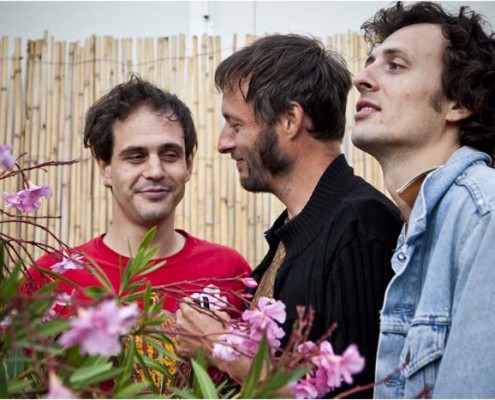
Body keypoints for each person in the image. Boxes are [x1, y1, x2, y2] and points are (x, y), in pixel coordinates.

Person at [176, 34, 402, 397]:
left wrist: (220, 345)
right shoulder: (295, 232)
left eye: (236, 124)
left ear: (289, 119)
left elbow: (354, 393)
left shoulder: (360, 228)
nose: (222, 142)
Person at [352, 2, 495, 398]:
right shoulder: (421, 224)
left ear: (457, 103)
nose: (361, 78)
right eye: (370, 63)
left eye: (395, 65)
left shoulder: (482, 215)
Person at [26, 75, 251, 317]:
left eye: (170, 155)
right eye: (136, 156)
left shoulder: (230, 272)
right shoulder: (50, 277)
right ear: (105, 168)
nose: (155, 171)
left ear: (189, 165)